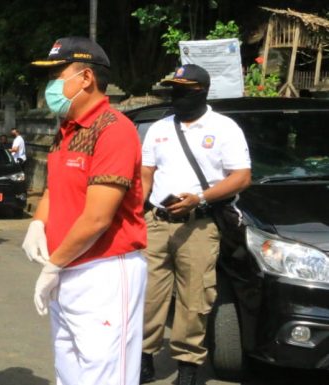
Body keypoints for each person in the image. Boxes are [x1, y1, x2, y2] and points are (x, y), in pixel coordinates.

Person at [22, 37, 147, 385]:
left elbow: (98, 217)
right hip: (69, 269)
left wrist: (54, 263)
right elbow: (54, 188)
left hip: (104, 270)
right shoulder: (67, 129)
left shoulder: (113, 129)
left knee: (105, 375)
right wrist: (38, 223)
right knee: (70, 373)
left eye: (57, 76)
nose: (51, 87)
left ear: (86, 78)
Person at [140, 64, 251, 385]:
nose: (176, 96)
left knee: (194, 298)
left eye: (182, 90)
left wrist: (199, 198)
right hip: (157, 223)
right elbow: (146, 173)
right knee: (148, 294)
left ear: (200, 90)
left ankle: (188, 367)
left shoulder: (225, 128)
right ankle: (144, 358)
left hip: (199, 225)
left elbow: (242, 177)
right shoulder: (159, 128)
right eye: (173, 89)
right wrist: (139, 210)